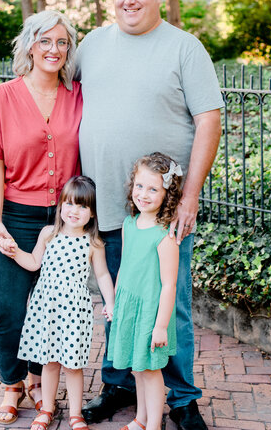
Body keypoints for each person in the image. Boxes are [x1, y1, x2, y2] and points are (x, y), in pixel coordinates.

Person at [76, 0, 223, 430]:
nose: (128, 1)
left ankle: (179, 399)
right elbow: (55, 85)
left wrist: (190, 196)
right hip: (108, 207)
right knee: (116, 302)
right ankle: (117, 384)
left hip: (161, 215)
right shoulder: (92, 45)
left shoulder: (185, 47)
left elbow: (209, 120)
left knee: (168, 305)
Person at [0, 10, 83, 425]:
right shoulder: (3, 96)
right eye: (44, 41)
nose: (53, 50)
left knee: (51, 307)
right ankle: (12, 384)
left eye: (61, 42)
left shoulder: (78, 95)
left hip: (63, 223)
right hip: (17, 216)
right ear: (29, 46)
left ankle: (40, 381)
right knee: (7, 307)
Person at [4, 176, 115, 430]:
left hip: (74, 312)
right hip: (47, 310)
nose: (74, 211)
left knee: (73, 365)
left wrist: (110, 302)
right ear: (60, 205)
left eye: (83, 206)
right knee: (50, 362)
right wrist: (13, 251)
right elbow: (34, 262)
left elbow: (103, 275)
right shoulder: (48, 234)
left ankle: (75, 413)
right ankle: (47, 409)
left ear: (92, 213)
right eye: (69, 204)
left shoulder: (93, 242)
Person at [108, 153, 181, 430]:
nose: (144, 194)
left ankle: (154, 424)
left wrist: (161, 326)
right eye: (140, 186)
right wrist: (115, 302)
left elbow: (169, 285)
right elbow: (125, 266)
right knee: (137, 367)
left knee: (151, 371)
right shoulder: (129, 224)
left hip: (151, 312)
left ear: (167, 194)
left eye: (153, 189)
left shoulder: (165, 236)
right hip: (129, 306)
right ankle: (140, 419)